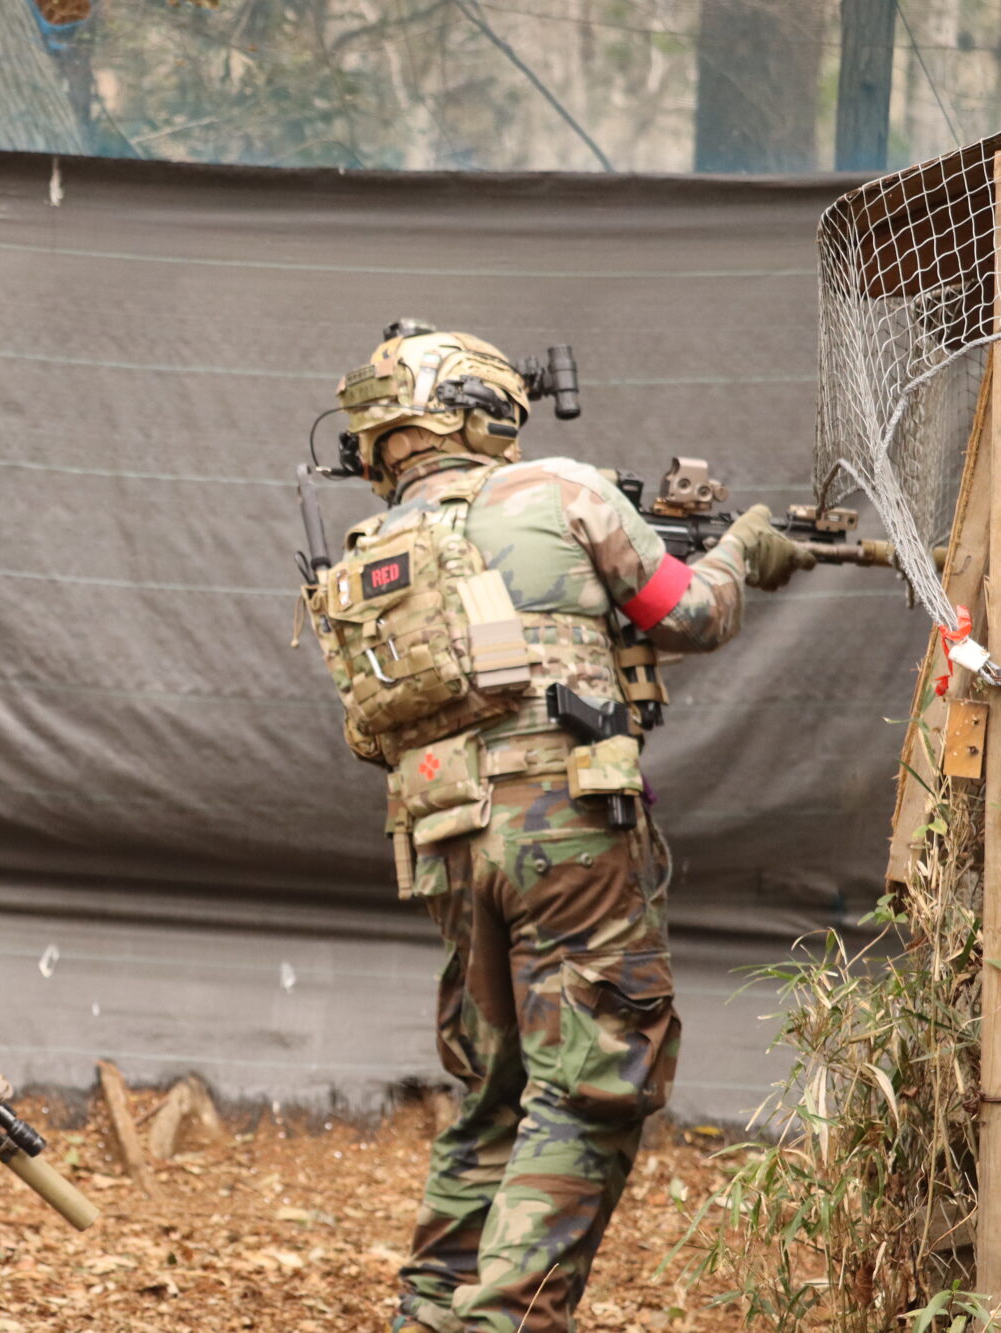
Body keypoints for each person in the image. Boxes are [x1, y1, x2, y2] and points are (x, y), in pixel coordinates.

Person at [299, 324, 814, 1333]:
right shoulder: (560, 490)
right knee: (593, 1081)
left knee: (494, 1088)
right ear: (478, 413)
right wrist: (743, 551)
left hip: (445, 839)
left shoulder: (373, 552)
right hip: (565, 829)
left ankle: (429, 1314)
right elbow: (688, 615)